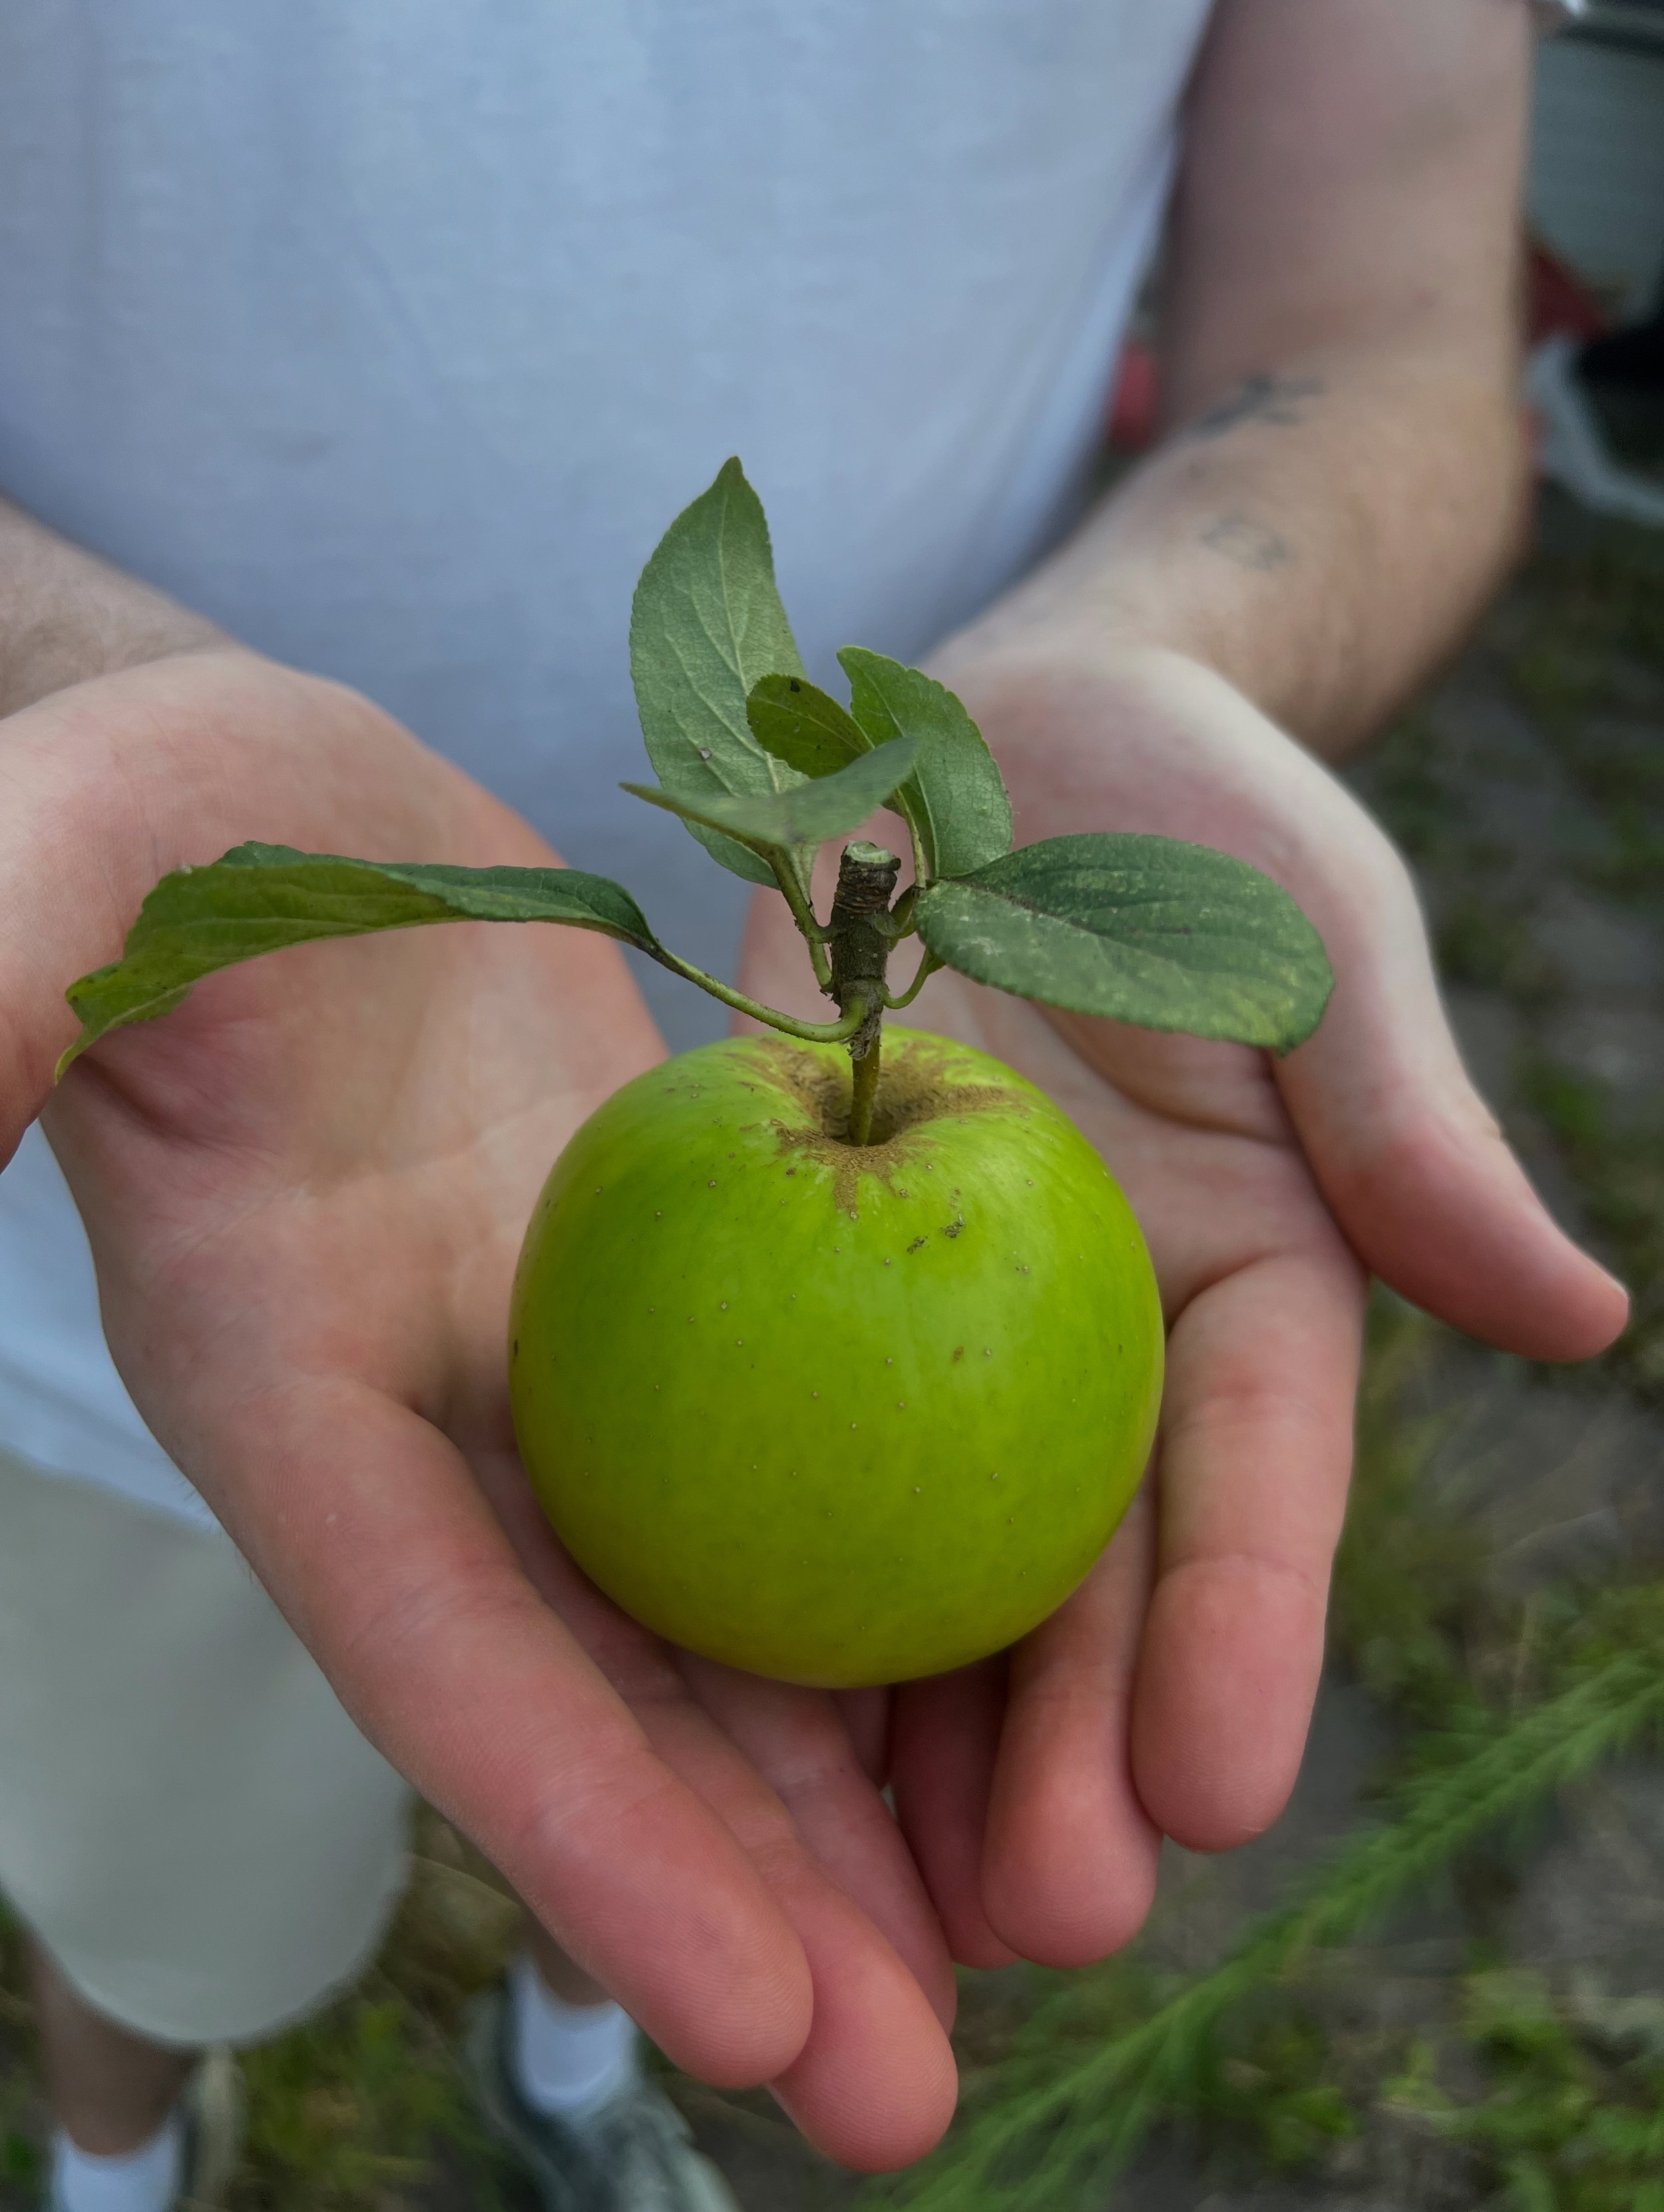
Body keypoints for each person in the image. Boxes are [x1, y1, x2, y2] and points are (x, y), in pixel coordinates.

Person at [0, 2, 1627, 2208]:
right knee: (157, 1886)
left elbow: (1383, 336)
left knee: (658, 1825)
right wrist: (65, 679)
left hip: (731, 1121)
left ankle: (584, 2068)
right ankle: (120, 2145)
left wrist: (1170, 645)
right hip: (123, 1205)